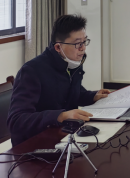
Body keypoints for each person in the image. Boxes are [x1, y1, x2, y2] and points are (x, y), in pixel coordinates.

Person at [7, 14, 110, 146]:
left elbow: (71, 93)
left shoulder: (72, 63)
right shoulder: (31, 71)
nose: (83, 48)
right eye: (78, 44)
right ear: (57, 48)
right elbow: (16, 121)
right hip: (33, 145)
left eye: (84, 42)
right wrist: (60, 116)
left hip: (64, 137)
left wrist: (93, 96)